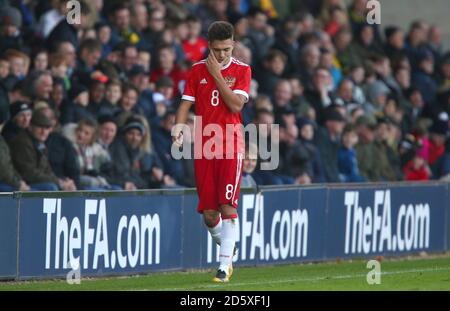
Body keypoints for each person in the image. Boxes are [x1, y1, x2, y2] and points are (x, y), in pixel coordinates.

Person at [173, 21, 251, 283]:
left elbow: (235, 105)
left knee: (227, 205)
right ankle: (227, 247)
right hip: (205, 144)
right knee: (209, 215)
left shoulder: (242, 70)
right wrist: (178, 126)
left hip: (230, 143)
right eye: (217, 49)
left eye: (227, 49)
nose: (222, 55)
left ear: (233, 45)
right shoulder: (196, 71)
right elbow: (186, 103)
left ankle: (224, 266)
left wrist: (217, 74)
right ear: (209, 46)